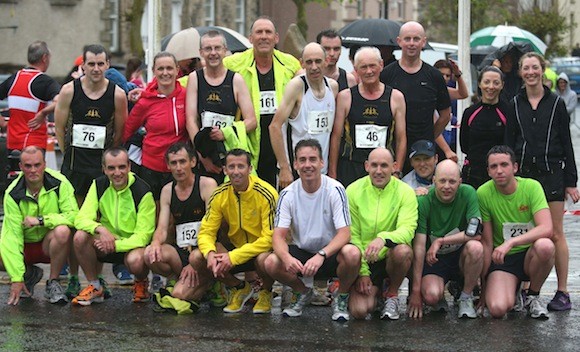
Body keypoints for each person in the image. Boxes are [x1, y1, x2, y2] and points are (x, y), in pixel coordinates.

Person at [506, 52, 580, 312]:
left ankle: (562, 291)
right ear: (520, 72)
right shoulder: (514, 103)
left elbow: (567, 143)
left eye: (535, 68)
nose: (530, 72)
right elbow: (509, 141)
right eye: (526, 68)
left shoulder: (557, 103)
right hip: (524, 176)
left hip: (552, 174)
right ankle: (526, 289)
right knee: (527, 233)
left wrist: (571, 180)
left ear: (542, 70)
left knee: (556, 233)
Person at [264, 139, 360, 321]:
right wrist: (286, 258)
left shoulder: (335, 189)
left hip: (330, 253)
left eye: (313, 159)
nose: (308, 165)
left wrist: (322, 255)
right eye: (302, 160)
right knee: (271, 262)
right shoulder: (287, 194)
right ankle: (302, 292)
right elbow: (278, 236)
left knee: (352, 253)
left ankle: (342, 296)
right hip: (303, 253)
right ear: (295, 164)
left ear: (321, 162)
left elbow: (345, 233)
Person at [189, 149, 278, 314]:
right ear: (225, 170)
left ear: (250, 169)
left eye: (241, 166)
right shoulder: (219, 195)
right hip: (234, 249)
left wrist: (234, 256)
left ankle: (266, 292)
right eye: (231, 167)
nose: (236, 171)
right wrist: (209, 253)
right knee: (196, 257)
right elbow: (206, 231)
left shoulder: (267, 193)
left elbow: (270, 238)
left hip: (259, 250)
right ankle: (238, 287)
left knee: (265, 259)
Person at [223, 16, 302, 187]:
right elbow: (205, 76)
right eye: (259, 32)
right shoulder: (233, 63)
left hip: (281, 138)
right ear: (250, 38)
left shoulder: (290, 63)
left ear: (276, 38)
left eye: (268, 32)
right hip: (251, 139)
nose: (264, 36)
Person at [478, 145, 555, 319]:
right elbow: (487, 242)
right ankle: (514, 291)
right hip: (503, 259)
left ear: (515, 167)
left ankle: (533, 295)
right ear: (488, 171)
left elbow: (547, 228)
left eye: (504, 165)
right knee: (497, 309)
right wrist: (484, 290)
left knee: (546, 246)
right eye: (493, 167)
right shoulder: (483, 193)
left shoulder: (532, 187)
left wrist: (511, 242)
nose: (499, 171)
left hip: (530, 254)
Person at [71, 147, 156, 306]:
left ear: (129, 166)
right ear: (104, 169)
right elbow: (81, 218)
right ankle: (95, 286)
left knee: (137, 260)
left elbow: (143, 236)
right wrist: (100, 230)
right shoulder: (98, 185)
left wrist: (115, 244)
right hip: (104, 241)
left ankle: (141, 282)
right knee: (80, 237)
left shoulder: (143, 191)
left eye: (121, 167)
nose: (117, 173)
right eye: (111, 168)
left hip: (130, 246)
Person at [143, 143, 220, 305]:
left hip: (205, 253)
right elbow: (162, 228)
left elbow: (213, 227)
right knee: (150, 254)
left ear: (192, 162)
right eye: (174, 163)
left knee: (179, 295)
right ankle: (176, 278)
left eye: (182, 162)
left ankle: (210, 282)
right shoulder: (167, 190)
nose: (178, 167)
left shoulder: (207, 185)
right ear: (168, 166)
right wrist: (156, 243)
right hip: (182, 252)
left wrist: (195, 263)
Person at [0, 146, 78, 305]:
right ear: (21, 167)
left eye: (37, 165)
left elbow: (74, 216)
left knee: (63, 230)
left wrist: (42, 220)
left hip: (50, 245)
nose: (33, 170)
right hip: (26, 245)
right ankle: (29, 275)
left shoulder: (60, 183)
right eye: (28, 166)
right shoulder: (12, 194)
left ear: (45, 164)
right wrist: (16, 278)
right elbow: (12, 237)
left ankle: (53, 282)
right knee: (4, 249)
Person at [346, 148, 417, 320]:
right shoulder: (353, 190)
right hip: (365, 258)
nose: (379, 171)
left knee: (404, 251)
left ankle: (391, 293)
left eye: (384, 166)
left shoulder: (405, 192)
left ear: (394, 167)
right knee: (360, 311)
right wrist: (362, 272)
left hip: (390, 256)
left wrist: (383, 238)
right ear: (366, 166)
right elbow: (352, 234)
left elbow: (407, 230)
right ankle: (376, 293)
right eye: (374, 165)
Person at [407, 160, 483, 319]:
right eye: (442, 181)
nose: (447, 186)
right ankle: (440, 295)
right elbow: (419, 247)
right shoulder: (424, 201)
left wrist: (440, 241)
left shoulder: (468, 193)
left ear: (460, 182)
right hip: (434, 260)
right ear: (434, 180)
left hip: (459, 256)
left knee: (476, 247)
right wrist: (415, 291)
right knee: (431, 296)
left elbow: (475, 232)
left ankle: (465, 296)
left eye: (452, 181)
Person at [55, 44, 127, 204]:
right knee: (74, 215)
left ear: (107, 65)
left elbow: (119, 133)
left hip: (101, 167)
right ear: (83, 66)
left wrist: (108, 160)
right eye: (91, 64)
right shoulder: (69, 91)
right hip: (75, 165)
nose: (96, 69)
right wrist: (66, 153)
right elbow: (59, 128)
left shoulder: (118, 95)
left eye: (100, 64)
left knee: (100, 213)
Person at [185, 30, 257, 183]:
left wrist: (226, 132)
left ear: (225, 51)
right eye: (208, 49)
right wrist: (201, 156)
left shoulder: (236, 79)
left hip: (231, 156)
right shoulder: (195, 78)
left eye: (217, 48)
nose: (213, 53)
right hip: (204, 154)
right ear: (201, 53)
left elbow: (251, 121)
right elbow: (190, 120)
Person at [329, 46, 406, 187]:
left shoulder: (395, 97)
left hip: (382, 168)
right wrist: (332, 173)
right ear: (356, 69)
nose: (369, 71)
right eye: (363, 67)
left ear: (381, 65)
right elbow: (336, 137)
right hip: (351, 166)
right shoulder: (345, 97)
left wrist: (397, 170)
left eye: (372, 66)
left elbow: (401, 138)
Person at [380, 21, 451, 174]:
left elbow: (445, 115)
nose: (411, 43)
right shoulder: (386, 74)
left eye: (416, 39)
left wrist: (430, 136)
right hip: (391, 147)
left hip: (422, 150)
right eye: (407, 39)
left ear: (423, 42)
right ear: (399, 41)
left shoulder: (434, 76)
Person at [269, 43, 338, 189]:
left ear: (326, 61)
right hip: (298, 171)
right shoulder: (296, 87)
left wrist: (332, 169)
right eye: (309, 62)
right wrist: (284, 167)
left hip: (322, 170)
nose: (314, 67)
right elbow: (274, 126)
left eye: (318, 61)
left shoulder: (332, 87)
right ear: (302, 63)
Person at [123, 51, 189, 201]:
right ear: (153, 71)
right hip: (151, 168)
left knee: (175, 216)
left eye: (169, 68)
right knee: (154, 215)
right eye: (160, 69)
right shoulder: (145, 101)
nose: (165, 73)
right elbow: (127, 130)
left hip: (179, 167)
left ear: (177, 70)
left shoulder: (187, 95)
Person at [0, 41, 61, 151]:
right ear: (45, 57)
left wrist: (2, 122)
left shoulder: (14, 78)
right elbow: (61, 101)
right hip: (34, 145)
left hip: (12, 142)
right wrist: (43, 113)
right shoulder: (46, 82)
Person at [459, 66, 508, 189]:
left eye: (496, 83)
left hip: (499, 176)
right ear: (480, 84)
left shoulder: (509, 112)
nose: (491, 87)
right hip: (473, 175)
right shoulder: (470, 112)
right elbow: (464, 146)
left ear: (502, 85)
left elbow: (510, 145)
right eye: (486, 82)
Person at [433, 59, 469, 162]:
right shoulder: (428, 92)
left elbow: (463, 94)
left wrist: (458, 75)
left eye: (448, 76)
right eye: (441, 74)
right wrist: (447, 150)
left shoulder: (444, 91)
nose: (444, 78)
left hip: (446, 142)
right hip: (434, 146)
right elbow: (434, 127)